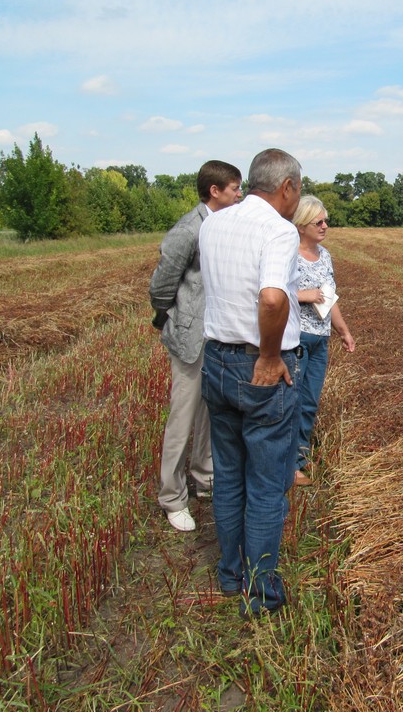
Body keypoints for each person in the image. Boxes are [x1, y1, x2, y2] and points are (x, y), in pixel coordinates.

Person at [199, 147, 304, 617]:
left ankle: (229, 573)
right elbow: (272, 299)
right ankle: (260, 594)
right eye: (297, 191)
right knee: (265, 484)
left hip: (215, 361)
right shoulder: (278, 230)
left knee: (229, 475)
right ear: (287, 187)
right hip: (256, 367)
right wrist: (267, 356)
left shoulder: (213, 223)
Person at [149, 160, 242, 532]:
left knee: (209, 411)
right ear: (214, 191)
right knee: (183, 416)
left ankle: (204, 477)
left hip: (216, 335)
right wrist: (174, 317)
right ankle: (172, 497)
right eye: (235, 188)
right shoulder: (189, 229)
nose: (240, 194)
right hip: (191, 339)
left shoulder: (223, 225)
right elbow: (161, 285)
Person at [292, 195, 355, 486]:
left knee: (309, 402)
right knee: (291, 402)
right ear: (302, 224)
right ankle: (289, 465)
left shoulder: (325, 255)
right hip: (297, 338)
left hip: (320, 339)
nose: (325, 226)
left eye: (326, 221)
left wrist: (343, 331)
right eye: (319, 221)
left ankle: (299, 459)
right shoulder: (287, 253)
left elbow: (329, 298)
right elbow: (267, 293)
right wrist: (303, 295)